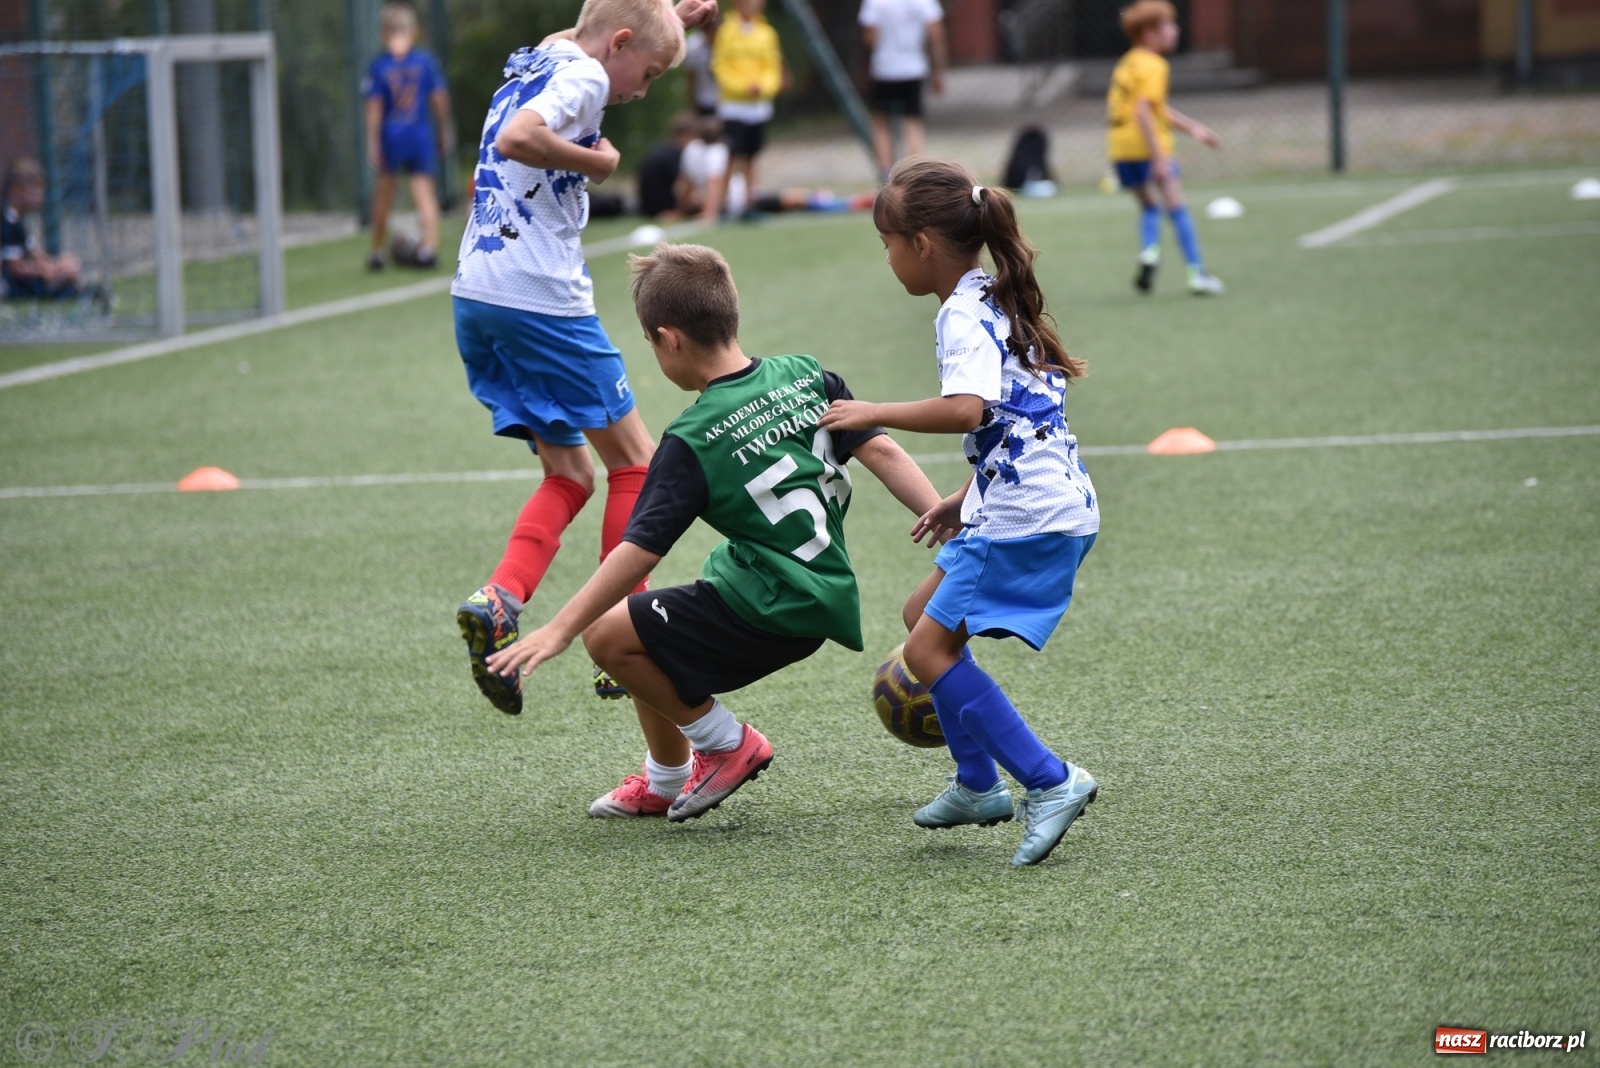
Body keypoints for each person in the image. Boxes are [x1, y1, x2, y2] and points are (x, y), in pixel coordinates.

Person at [485, 242, 952, 822]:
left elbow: (638, 551)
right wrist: (943, 516)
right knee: (643, 622)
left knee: (608, 636)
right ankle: (666, 777)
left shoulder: (693, 438)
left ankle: (725, 743)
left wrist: (560, 629)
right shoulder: (808, 376)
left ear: (669, 339)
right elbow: (882, 451)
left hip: (771, 607)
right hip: (819, 592)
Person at [819, 157, 1101, 867]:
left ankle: (1050, 780)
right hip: (1042, 499)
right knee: (921, 615)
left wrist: (873, 410)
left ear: (920, 244)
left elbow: (967, 410)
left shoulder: (962, 313)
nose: (887, 258)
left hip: (1027, 515)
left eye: (887, 243)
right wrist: (966, 495)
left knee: (926, 652)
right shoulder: (992, 295)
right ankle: (978, 784)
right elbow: (1019, 417)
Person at [451, 0, 712, 714]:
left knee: (570, 471)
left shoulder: (548, 54)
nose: (643, 91)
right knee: (637, 462)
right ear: (619, 45)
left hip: (478, 295)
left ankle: (501, 598)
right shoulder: (590, 78)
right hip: (540, 299)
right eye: (649, 74)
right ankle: (619, 624)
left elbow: (604, 28)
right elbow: (521, 136)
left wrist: (670, 19)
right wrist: (598, 161)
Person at [1106, 0, 1223, 296]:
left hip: (1121, 148)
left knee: (1149, 205)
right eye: (1169, 25)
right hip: (1147, 146)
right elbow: (1143, 111)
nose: (1176, 31)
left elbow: (1154, 108)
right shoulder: (1155, 65)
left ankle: (1149, 252)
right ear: (1149, 32)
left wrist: (1193, 128)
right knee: (1177, 206)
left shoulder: (1128, 62)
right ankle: (1197, 273)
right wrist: (1159, 157)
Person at [362, 2, 453, 271]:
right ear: (414, 32)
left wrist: (372, 141)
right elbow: (439, 99)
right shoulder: (425, 62)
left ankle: (377, 251)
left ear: (383, 34)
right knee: (424, 193)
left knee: (384, 195)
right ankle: (428, 249)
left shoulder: (379, 66)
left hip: (392, 134)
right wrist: (445, 129)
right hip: (419, 132)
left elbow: (374, 108)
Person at [711, 0, 788, 218]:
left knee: (752, 157)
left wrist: (763, 87)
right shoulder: (726, 31)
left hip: (758, 106)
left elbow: (772, 66)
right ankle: (722, 206)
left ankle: (750, 204)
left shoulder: (767, 33)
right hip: (734, 107)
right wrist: (743, 87)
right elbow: (720, 67)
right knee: (731, 156)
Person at [858, 0, 947, 182]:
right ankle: (914, 174)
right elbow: (936, 33)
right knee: (912, 121)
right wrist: (938, 71)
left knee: (881, 122)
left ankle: (885, 174)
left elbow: (870, 37)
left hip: (884, 69)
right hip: (914, 69)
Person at [1, 157, 81, 300]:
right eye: (34, 189)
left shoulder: (18, 221)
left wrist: (55, 264)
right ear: (16, 189)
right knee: (65, 282)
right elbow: (14, 268)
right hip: (12, 286)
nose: (40, 195)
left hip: (22, 282)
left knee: (68, 266)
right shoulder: (8, 222)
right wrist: (45, 271)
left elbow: (35, 254)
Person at [635, 112, 696, 218]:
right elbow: (682, 186)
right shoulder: (677, 154)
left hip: (646, 206)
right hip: (663, 207)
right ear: (689, 134)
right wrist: (679, 211)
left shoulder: (660, 149)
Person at [682, 8, 721, 116]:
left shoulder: (727, 44)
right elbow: (691, 77)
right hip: (703, 101)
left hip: (725, 101)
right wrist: (692, 103)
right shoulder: (694, 46)